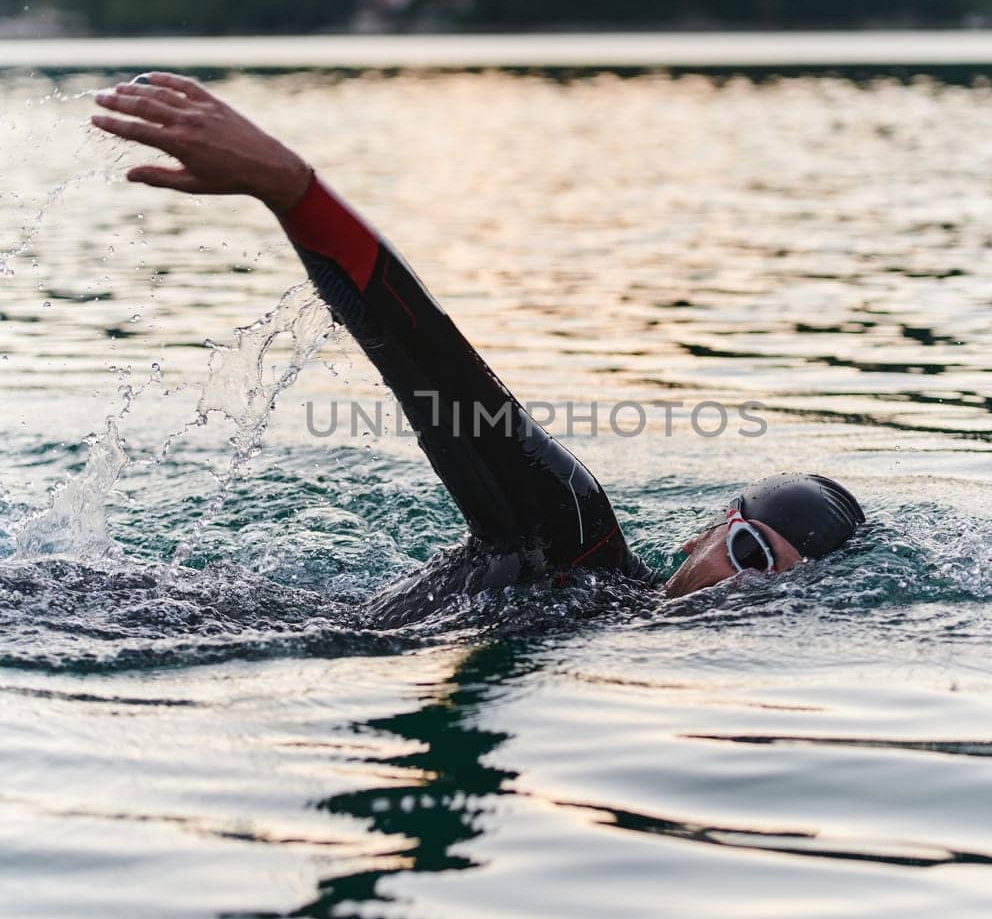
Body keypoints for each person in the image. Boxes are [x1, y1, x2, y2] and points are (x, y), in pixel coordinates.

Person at [91, 73, 864, 623]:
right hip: (129, 618)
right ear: (704, 531)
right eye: (749, 556)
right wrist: (296, 192)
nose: (740, 594)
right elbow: (439, 372)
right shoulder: (572, 535)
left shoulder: (615, 639)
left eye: (778, 592)